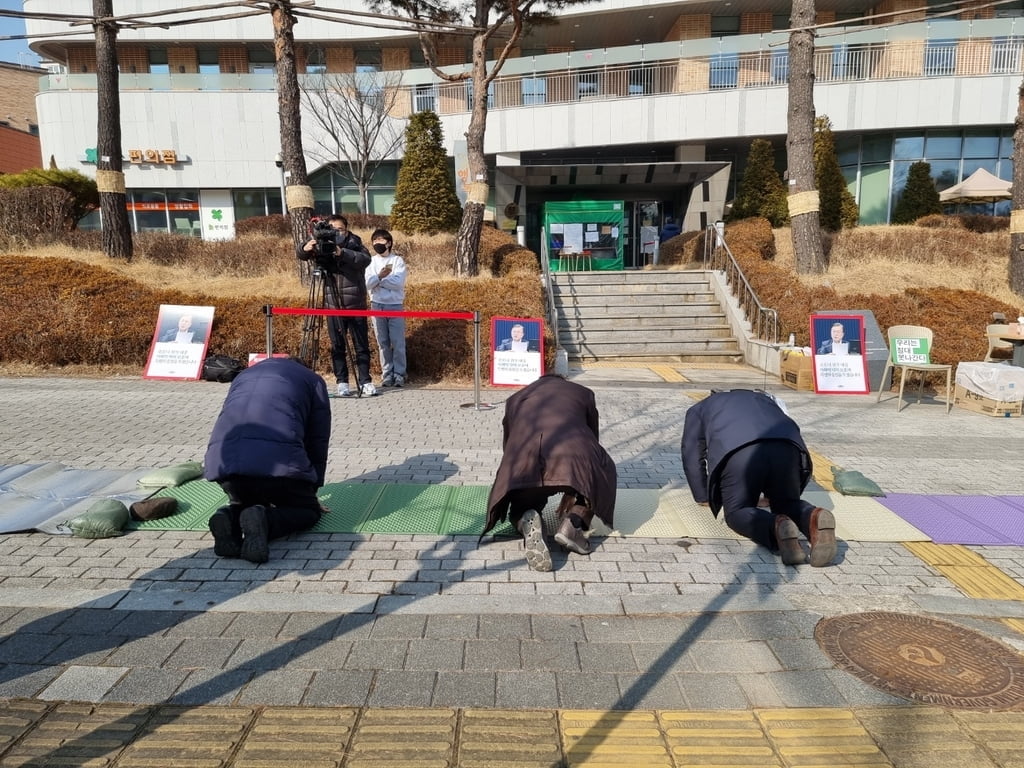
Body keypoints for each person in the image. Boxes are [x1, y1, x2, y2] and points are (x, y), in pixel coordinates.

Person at [680, 388, 837, 567]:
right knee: (786, 503)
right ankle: (812, 517)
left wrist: (703, 496)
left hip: (739, 454)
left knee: (737, 511)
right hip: (788, 447)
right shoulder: (764, 399)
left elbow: (692, 454)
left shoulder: (700, 409)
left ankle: (776, 526)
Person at [203, 356, 331, 564]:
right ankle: (266, 520)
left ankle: (229, 517)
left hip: (225, 465)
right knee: (307, 512)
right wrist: (312, 491)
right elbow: (317, 439)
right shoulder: (312, 380)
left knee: (246, 501)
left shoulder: (243, 376)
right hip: (276, 466)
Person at [483, 374, 617, 572]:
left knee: (521, 506)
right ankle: (573, 523)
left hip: (524, 460)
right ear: (563, 381)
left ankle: (525, 519)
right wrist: (577, 489)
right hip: (575, 457)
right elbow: (592, 438)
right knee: (602, 466)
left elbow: (509, 442)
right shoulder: (583, 393)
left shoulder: (516, 398)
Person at [298, 215, 376, 397]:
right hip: (332, 304)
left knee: (361, 345)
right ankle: (342, 382)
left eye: (339, 229)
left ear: (347, 229)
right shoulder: (321, 242)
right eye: (332, 229)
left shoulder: (354, 242)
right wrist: (304, 248)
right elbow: (302, 254)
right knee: (337, 345)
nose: (336, 233)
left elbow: (365, 259)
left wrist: (343, 253)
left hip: (355, 303)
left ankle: (365, 381)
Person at [364, 228, 408, 388]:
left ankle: (400, 374)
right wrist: (381, 277)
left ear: (388, 243)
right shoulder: (370, 261)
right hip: (376, 305)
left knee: (397, 342)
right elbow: (367, 283)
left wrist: (379, 280)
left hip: (394, 305)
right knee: (382, 342)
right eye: (374, 241)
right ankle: (387, 374)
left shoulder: (397, 261)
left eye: (380, 241)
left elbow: (398, 283)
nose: (377, 244)